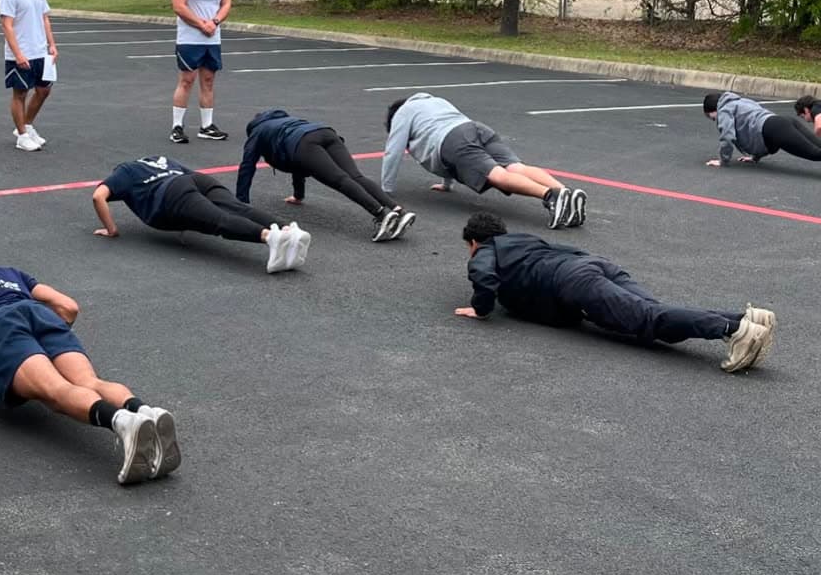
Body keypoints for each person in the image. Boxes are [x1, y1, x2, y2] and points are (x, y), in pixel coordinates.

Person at [0, 250, 179, 485]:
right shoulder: (7, 272)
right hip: (37, 313)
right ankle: (143, 410)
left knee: (57, 391)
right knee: (90, 382)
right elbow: (68, 307)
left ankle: (122, 423)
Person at [453, 211, 775, 374]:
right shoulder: (524, 240)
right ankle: (746, 318)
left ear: (474, 243)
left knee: (648, 320)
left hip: (573, 281)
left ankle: (734, 331)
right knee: (654, 310)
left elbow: (483, 276)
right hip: (592, 264)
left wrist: (481, 308)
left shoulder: (486, 251)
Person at [381, 93, 587, 229]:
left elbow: (394, 149)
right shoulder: (434, 101)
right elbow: (445, 152)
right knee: (516, 167)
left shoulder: (403, 113)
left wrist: (386, 189)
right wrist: (447, 184)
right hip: (474, 128)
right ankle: (565, 193)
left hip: (453, 140)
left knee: (498, 176)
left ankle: (550, 196)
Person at [92, 155, 311, 273]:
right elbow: (190, 177)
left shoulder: (124, 171)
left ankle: (268, 237)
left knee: (219, 220)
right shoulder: (158, 159)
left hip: (171, 194)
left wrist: (112, 230)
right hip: (196, 179)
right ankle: (288, 229)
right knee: (238, 207)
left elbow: (98, 196)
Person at [236, 108, 416, 242]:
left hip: (303, 144)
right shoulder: (289, 121)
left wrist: (241, 203)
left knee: (339, 180)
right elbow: (296, 164)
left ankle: (381, 214)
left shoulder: (257, 132)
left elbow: (247, 166)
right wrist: (298, 195)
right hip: (325, 132)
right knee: (355, 176)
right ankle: (397, 209)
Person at [169, 0, 231, 143]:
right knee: (187, 80)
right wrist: (200, 24)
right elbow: (179, 6)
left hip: (212, 39)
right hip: (190, 38)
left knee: (208, 81)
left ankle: (206, 126)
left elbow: (226, 3)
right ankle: (177, 126)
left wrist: (214, 22)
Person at [0, 0, 59, 152]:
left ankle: (27, 125)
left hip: (40, 51)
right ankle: (22, 136)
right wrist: (18, 55)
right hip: (21, 52)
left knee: (43, 90)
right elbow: (7, 25)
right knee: (21, 93)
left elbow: (45, 18)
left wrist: (52, 44)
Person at [703, 92, 821, 168]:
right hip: (782, 121)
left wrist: (723, 160)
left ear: (713, 109)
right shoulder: (740, 101)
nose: (715, 120)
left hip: (774, 128)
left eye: (712, 117)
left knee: (815, 153)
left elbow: (728, 136)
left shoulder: (723, 110)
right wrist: (755, 156)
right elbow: (754, 128)